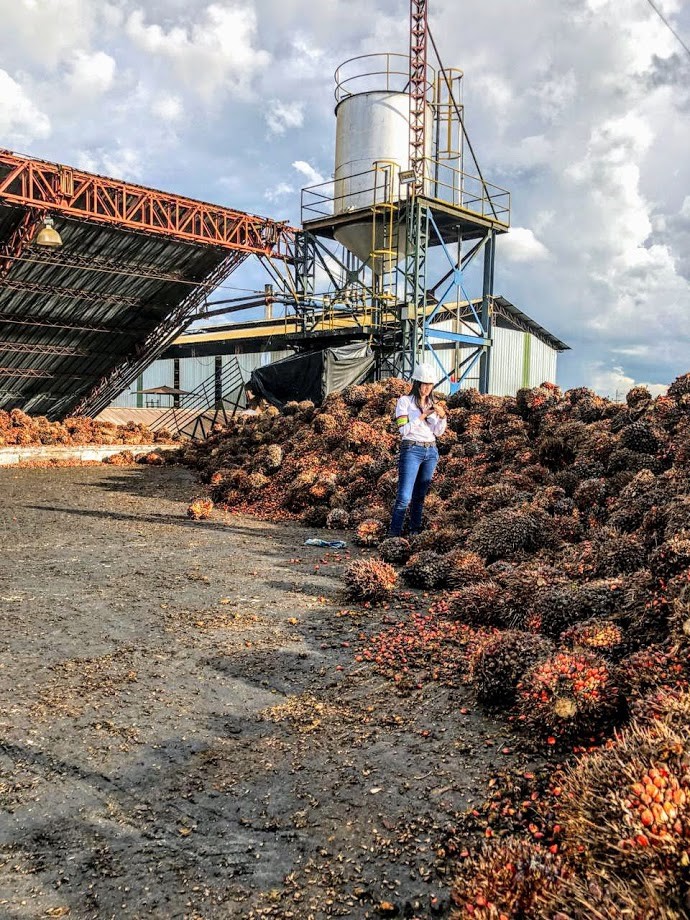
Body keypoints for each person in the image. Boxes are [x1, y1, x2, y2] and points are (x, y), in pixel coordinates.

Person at [388, 362, 447, 537]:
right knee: (404, 497)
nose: (427, 388)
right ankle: (394, 534)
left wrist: (442, 417)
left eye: (430, 384)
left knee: (419, 497)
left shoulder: (433, 403)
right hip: (411, 450)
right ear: (417, 383)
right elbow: (403, 430)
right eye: (424, 384)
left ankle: (414, 530)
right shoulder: (404, 402)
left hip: (431, 451)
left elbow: (438, 432)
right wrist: (422, 416)